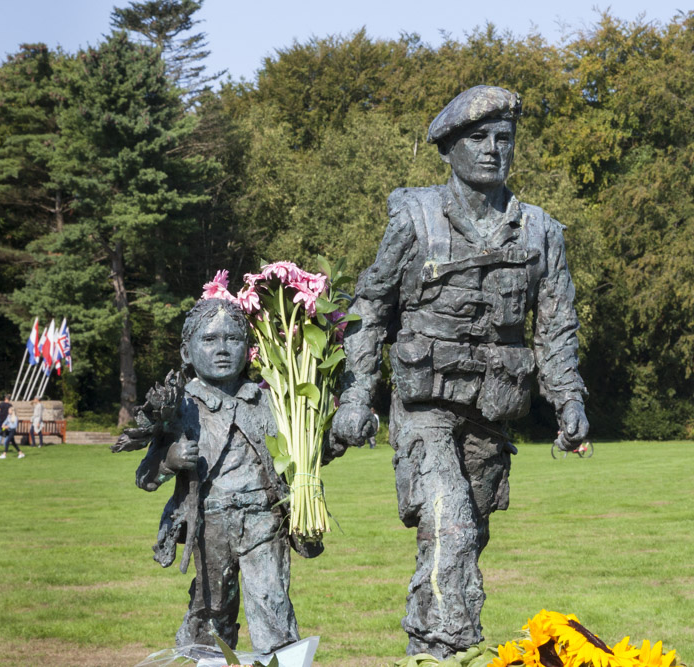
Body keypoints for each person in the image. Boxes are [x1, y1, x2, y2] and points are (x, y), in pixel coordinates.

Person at [329, 86, 590, 658]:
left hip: (492, 411)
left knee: (466, 538)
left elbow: (556, 326)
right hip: (425, 409)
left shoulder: (541, 231)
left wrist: (568, 398)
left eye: (504, 138)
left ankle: (427, 644)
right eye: (478, 138)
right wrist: (356, 398)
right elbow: (370, 312)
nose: (493, 149)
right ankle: (454, 649)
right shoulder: (415, 219)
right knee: (449, 520)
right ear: (448, 148)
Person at [131, 298, 320, 654]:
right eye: (209, 339)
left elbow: (303, 447)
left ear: (248, 349)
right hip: (210, 525)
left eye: (233, 339)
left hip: (264, 521)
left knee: (273, 606)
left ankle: (281, 659)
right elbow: (145, 476)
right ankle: (205, 658)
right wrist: (170, 460)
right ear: (187, 352)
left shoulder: (268, 400)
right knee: (211, 612)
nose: (222, 349)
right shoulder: (180, 406)